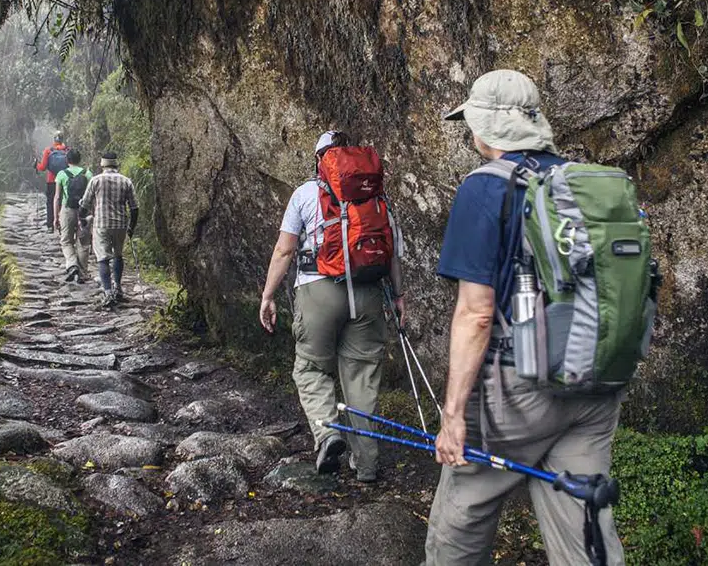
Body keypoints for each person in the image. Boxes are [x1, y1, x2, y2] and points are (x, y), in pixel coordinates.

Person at [425, 70, 626, 565]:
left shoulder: (485, 188)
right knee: (584, 524)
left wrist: (452, 416)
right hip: (596, 382)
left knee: (463, 511)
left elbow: (476, 313)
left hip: (518, 392)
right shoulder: (586, 182)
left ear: (486, 126)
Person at [258, 130, 405, 482]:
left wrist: (267, 295)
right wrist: (399, 296)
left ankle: (328, 435)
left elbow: (284, 250)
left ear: (319, 159)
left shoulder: (306, 193)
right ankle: (366, 465)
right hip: (368, 294)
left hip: (318, 290)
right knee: (362, 379)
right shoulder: (376, 194)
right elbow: (392, 253)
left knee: (311, 369)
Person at [78, 151, 138, 306]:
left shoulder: (96, 180)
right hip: (120, 224)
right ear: (116, 164)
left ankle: (107, 292)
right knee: (118, 255)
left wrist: (82, 218)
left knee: (103, 258)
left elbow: (85, 204)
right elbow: (134, 207)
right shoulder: (126, 181)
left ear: (102, 164)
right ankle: (118, 288)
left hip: (101, 225)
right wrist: (131, 226)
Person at [53, 149, 93, 283]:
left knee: (66, 241)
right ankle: (82, 272)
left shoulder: (61, 174)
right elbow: (92, 197)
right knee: (83, 242)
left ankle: (72, 265)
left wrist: (55, 217)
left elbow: (57, 197)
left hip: (67, 210)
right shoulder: (87, 174)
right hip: (84, 211)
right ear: (79, 159)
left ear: (67, 160)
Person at [35, 132, 70, 233]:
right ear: (62, 139)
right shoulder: (67, 150)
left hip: (51, 181)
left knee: (50, 202)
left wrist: (36, 164)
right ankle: (63, 224)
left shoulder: (48, 151)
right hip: (65, 180)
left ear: (54, 139)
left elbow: (42, 167)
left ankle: (50, 225)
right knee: (63, 202)